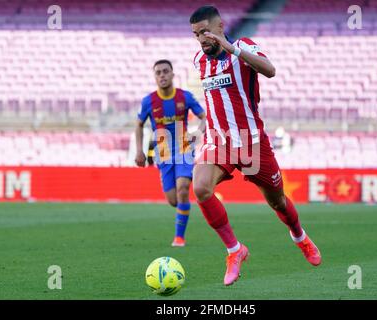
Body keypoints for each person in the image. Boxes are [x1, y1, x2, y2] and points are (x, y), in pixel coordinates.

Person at [189, 5, 321, 286]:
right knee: (200, 188)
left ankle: (300, 236)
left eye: (205, 32)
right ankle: (235, 250)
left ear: (220, 26)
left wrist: (231, 48)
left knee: (278, 201)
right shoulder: (199, 60)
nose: (201, 39)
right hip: (219, 141)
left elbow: (270, 71)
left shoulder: (243, 47)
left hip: (252, 142)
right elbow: (216, 101)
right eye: (196, 34)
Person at [135, 59, 206, 247]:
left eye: (165, 71)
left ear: (173, 75)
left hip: (184, 149)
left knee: (183, 189)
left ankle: (179, 238)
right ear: (155, 77)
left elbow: (204, 117)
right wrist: (139, 151)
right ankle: (183, 209)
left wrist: (197, 134)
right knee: (174, 200)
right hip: (163, 153)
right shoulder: (148, 101)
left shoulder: (185, 97)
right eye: (158, 72)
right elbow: (139, 125)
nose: (162, 75)